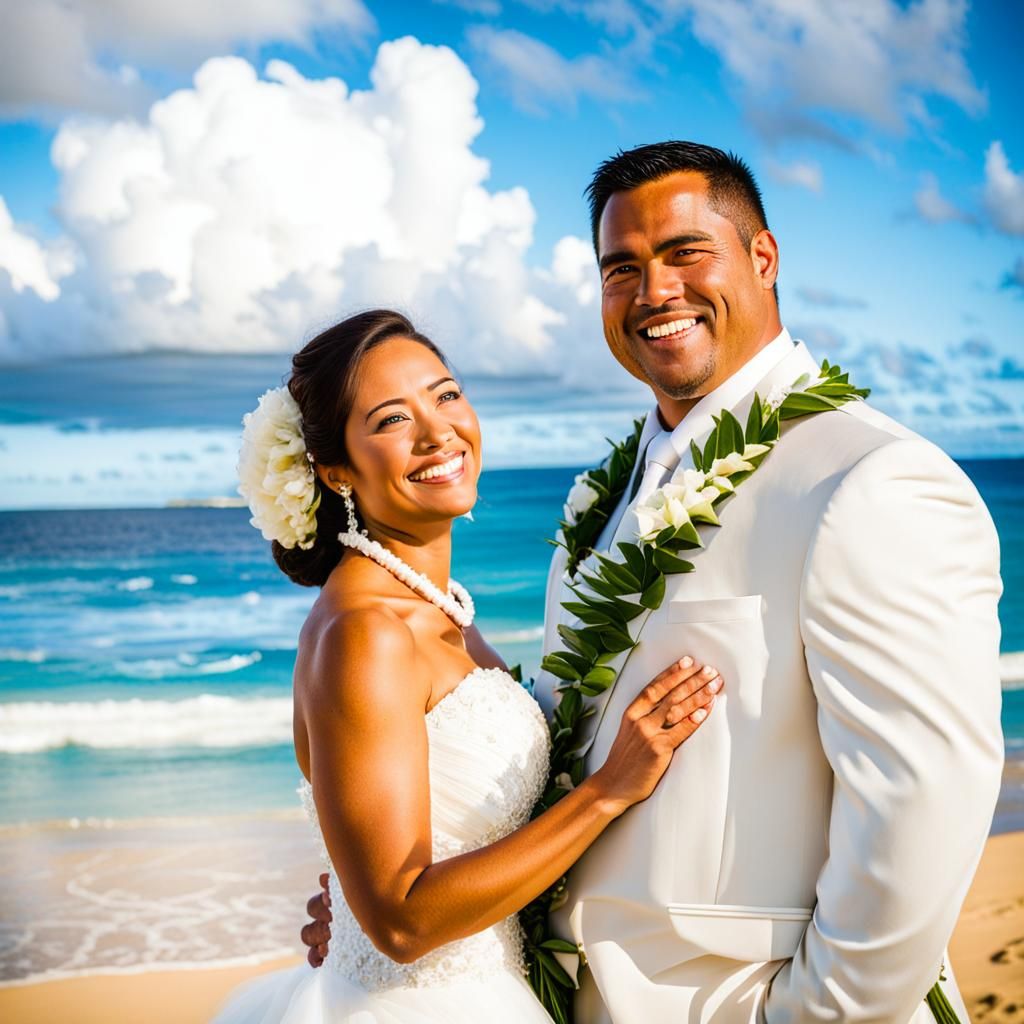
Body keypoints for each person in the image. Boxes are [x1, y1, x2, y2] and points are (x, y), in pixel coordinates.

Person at [303, 144, 1004, 1022]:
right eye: (622, 268)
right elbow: (561, 759)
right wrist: (400, 917)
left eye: (684, 254)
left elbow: (921, 805)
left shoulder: (871, 481)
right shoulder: (601, 497)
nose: (654, 291)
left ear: (764, 258)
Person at [212, 308, 725, 1024]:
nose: (437, 432)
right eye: (392, 420)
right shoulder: (368, 633)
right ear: (334, 471)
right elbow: (401, 920)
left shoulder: (436, 606)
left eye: (446, 394)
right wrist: (610, 790)